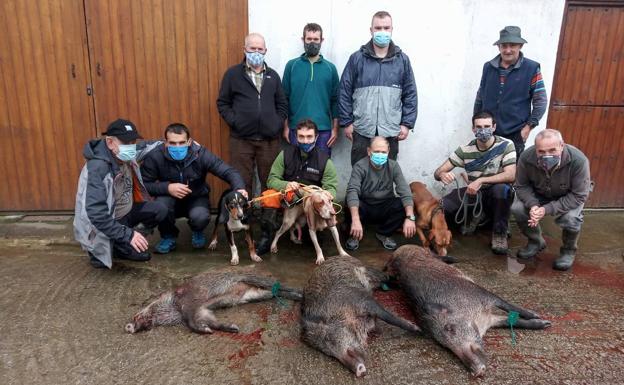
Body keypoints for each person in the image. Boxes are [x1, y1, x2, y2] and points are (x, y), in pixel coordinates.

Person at [74, 119, 168, 269]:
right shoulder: (98, 168)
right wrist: (127, 235)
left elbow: (146, 146)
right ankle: (118, 243)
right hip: (101, 224)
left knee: (160, 209)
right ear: (110, 142)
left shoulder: (124, 153)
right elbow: (96, 214)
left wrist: (168, 142)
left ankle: (123, 245)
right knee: (102, 263)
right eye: (126, 142)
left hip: (125, 213)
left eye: (133, 141)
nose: (131, 147)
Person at [140, 123, 246, 254]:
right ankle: (168, 237)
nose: (177, 147)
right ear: (165, 142)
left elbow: (228, 172)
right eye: (172, 143)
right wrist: (167, 187)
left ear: (189, 141)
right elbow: (143, 185)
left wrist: (239, 188)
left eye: (181, 142)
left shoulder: (200, 154)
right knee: (160, 206)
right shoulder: (155, 156)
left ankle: (197, 230)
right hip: (168, 198)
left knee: (200, 217)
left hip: (196, 197)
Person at [338, 10, 418, 165]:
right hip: (361, 129)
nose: (382, 32)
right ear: (371, 30)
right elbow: (344, 91)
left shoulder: (402, 60)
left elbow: (410, 94)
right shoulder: (357, 58)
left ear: (392, 29)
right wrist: (347, 122)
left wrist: (406, 124)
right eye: (378, 28)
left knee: (387, 175)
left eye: (386, 28)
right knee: (359, 173)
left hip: (390, 130)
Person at [434, 111, 517, 255]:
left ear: (494, 127)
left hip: (494, 191)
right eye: (479, 127)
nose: (483, 130)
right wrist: (442, 175)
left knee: (501, 190)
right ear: (473, 129)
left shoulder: (506, 145)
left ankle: (499, 233)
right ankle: (442, 235)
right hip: (473, 193)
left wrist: (481, 180)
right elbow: (438, 172)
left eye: (487, 126)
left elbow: (510, 175)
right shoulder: (465, 149)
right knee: (442, 206)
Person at [216, 32, 288, 194]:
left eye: (260, 49)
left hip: (269, 140)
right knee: (242, 180)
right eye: (252, 48)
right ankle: (244, 214)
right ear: (244, 49)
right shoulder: (232, 75)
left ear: (265, 51)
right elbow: (223, 103)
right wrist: (235, 121)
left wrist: (276, 124)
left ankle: (268, 215)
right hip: (241, 139)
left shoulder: (273, 76)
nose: (256, 52)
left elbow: (282, 104)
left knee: (270, 180)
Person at [512, 129, 591, 271]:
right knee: (517, 208)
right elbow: (521, 186)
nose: (547, 155)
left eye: (552, 150)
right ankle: (535, 242)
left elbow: (579, 195)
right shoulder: (526, 157)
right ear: (535, 149)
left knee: (571, 218)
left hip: (567, 196)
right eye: (541, 152)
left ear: (562, 145)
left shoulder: (579, 160)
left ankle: (568, 251)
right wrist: (534, 205)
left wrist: (546, 209)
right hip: (539, 194)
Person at [259, 119, 339, 255]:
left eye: (309, 137)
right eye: (301, 137)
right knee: (268, 198)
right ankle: (267, 237)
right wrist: (286, 184)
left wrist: (325, 195)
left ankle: (314, 233)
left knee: (326, 208)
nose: (306, 141)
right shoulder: (285, 154)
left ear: (316, 137)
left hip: (312, 201)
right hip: (289, 196)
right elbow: (271, 179)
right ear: (296, 137)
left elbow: (331, 188)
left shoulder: (325, 160)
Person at [473, 26, 547, 156]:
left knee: (510, 173)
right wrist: (476, 122)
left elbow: (540, 100)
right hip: (488, 131)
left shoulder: (531, 68)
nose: (508, 50)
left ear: (520, 46)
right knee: (485, 169)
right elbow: (480, 96)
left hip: (515, 133)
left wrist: (529, 127)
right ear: (499, 47)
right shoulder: (488, 67)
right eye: (504, 46)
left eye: (512, 45)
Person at [345, 136, 416, 251]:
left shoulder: (393, 166)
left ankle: (384, 233)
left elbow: (404, 190)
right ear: (369, 151)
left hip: (384, 206)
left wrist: (410, 217)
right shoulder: (360, 166)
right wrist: (355, 219)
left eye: (383, 152)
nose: (380, 154)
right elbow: (352, 190)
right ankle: (355, 234)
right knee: (350, 202)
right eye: (376, 151)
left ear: (388, 152)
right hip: (365, 206)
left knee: (402, 205)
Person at [282, 23, 340, 155]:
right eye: (309, 39)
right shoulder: (292, 66)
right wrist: (285, 127)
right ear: (303, 40)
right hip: (296, 130)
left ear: (322, 41)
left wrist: (335, 129)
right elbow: (284, 98)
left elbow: (335, 100)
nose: (312, 42)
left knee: (321, 170)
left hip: (323, 130)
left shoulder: (330, 68)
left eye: (316, 39)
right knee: (295, 169)